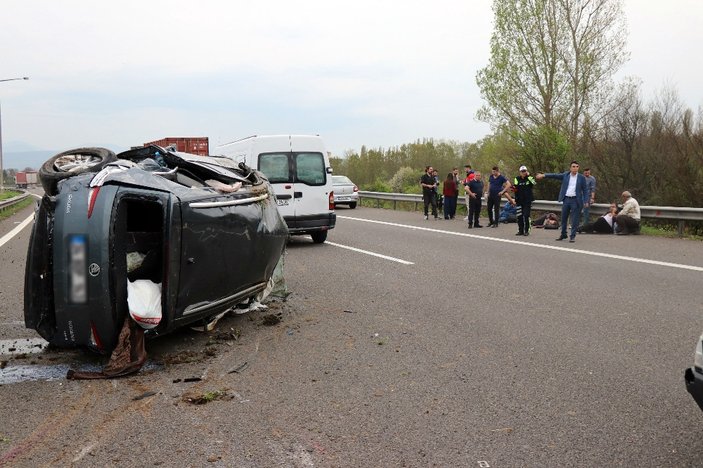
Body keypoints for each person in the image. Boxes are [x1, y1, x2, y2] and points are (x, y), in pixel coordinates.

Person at [536, 160, 588, 243]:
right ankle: (563, 234)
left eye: (577, 167)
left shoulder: (581, 178)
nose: (575, 168)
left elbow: (585, 190)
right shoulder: (566, 175)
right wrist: (544, 175)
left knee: (575, 219)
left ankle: (572, 236)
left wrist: (586, 201)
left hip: (576, 200)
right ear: (570, 168)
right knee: (563, 218)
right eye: (573, 167)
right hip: (566, 199)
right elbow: (555, 175)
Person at [512, 165, 537, 236]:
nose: (524, 173)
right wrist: (513, 192)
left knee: (526, 216)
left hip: (527, 201)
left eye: (525, 171)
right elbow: (515, 188)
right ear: (520, 172)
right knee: (519, 216)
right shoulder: (517, 179)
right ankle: (520, 230)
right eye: (522, 171)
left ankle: (527, 230)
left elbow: (534, 183)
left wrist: (529, 176)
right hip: (519, 200)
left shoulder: (530, 178)